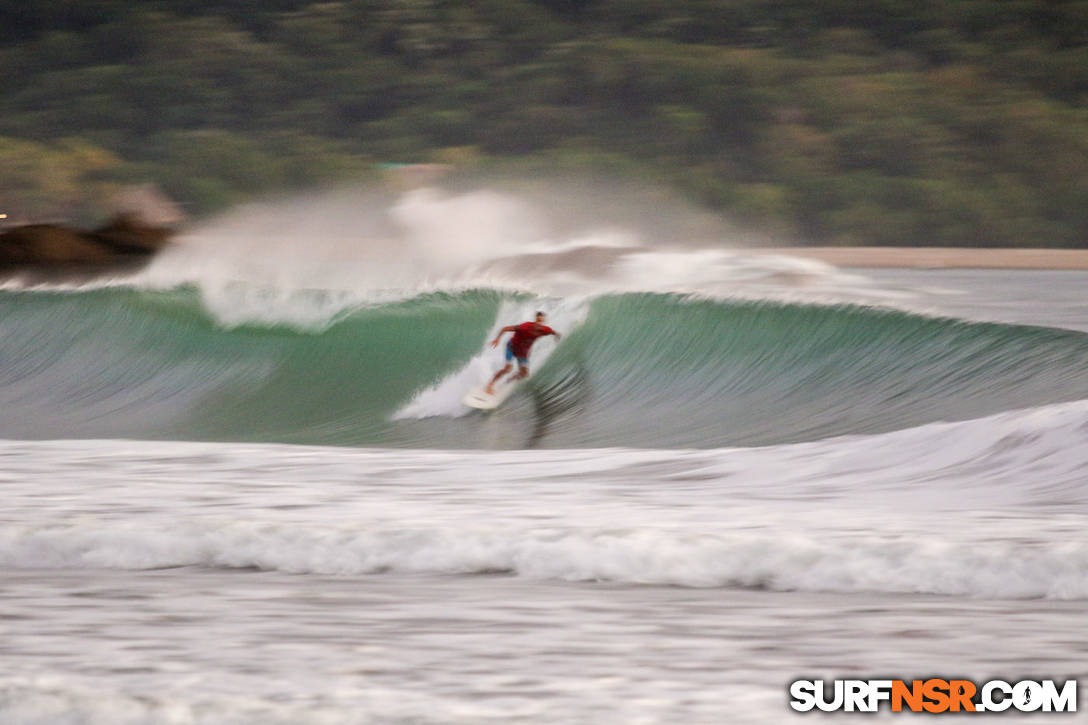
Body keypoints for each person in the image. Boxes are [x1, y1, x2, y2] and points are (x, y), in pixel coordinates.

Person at [485, 311, 561, 395]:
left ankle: (507, 382)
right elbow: (505, 328)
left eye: (541, 322)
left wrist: (557, 336)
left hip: (523, 353)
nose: (539, 324)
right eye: (538, 321)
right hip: (511, 347)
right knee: (508, 368)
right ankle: (490, 385)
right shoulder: (525, 327)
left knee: (524, 374)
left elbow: (554, 332)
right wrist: (497, 339)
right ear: (535, 320)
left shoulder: (545, 330)